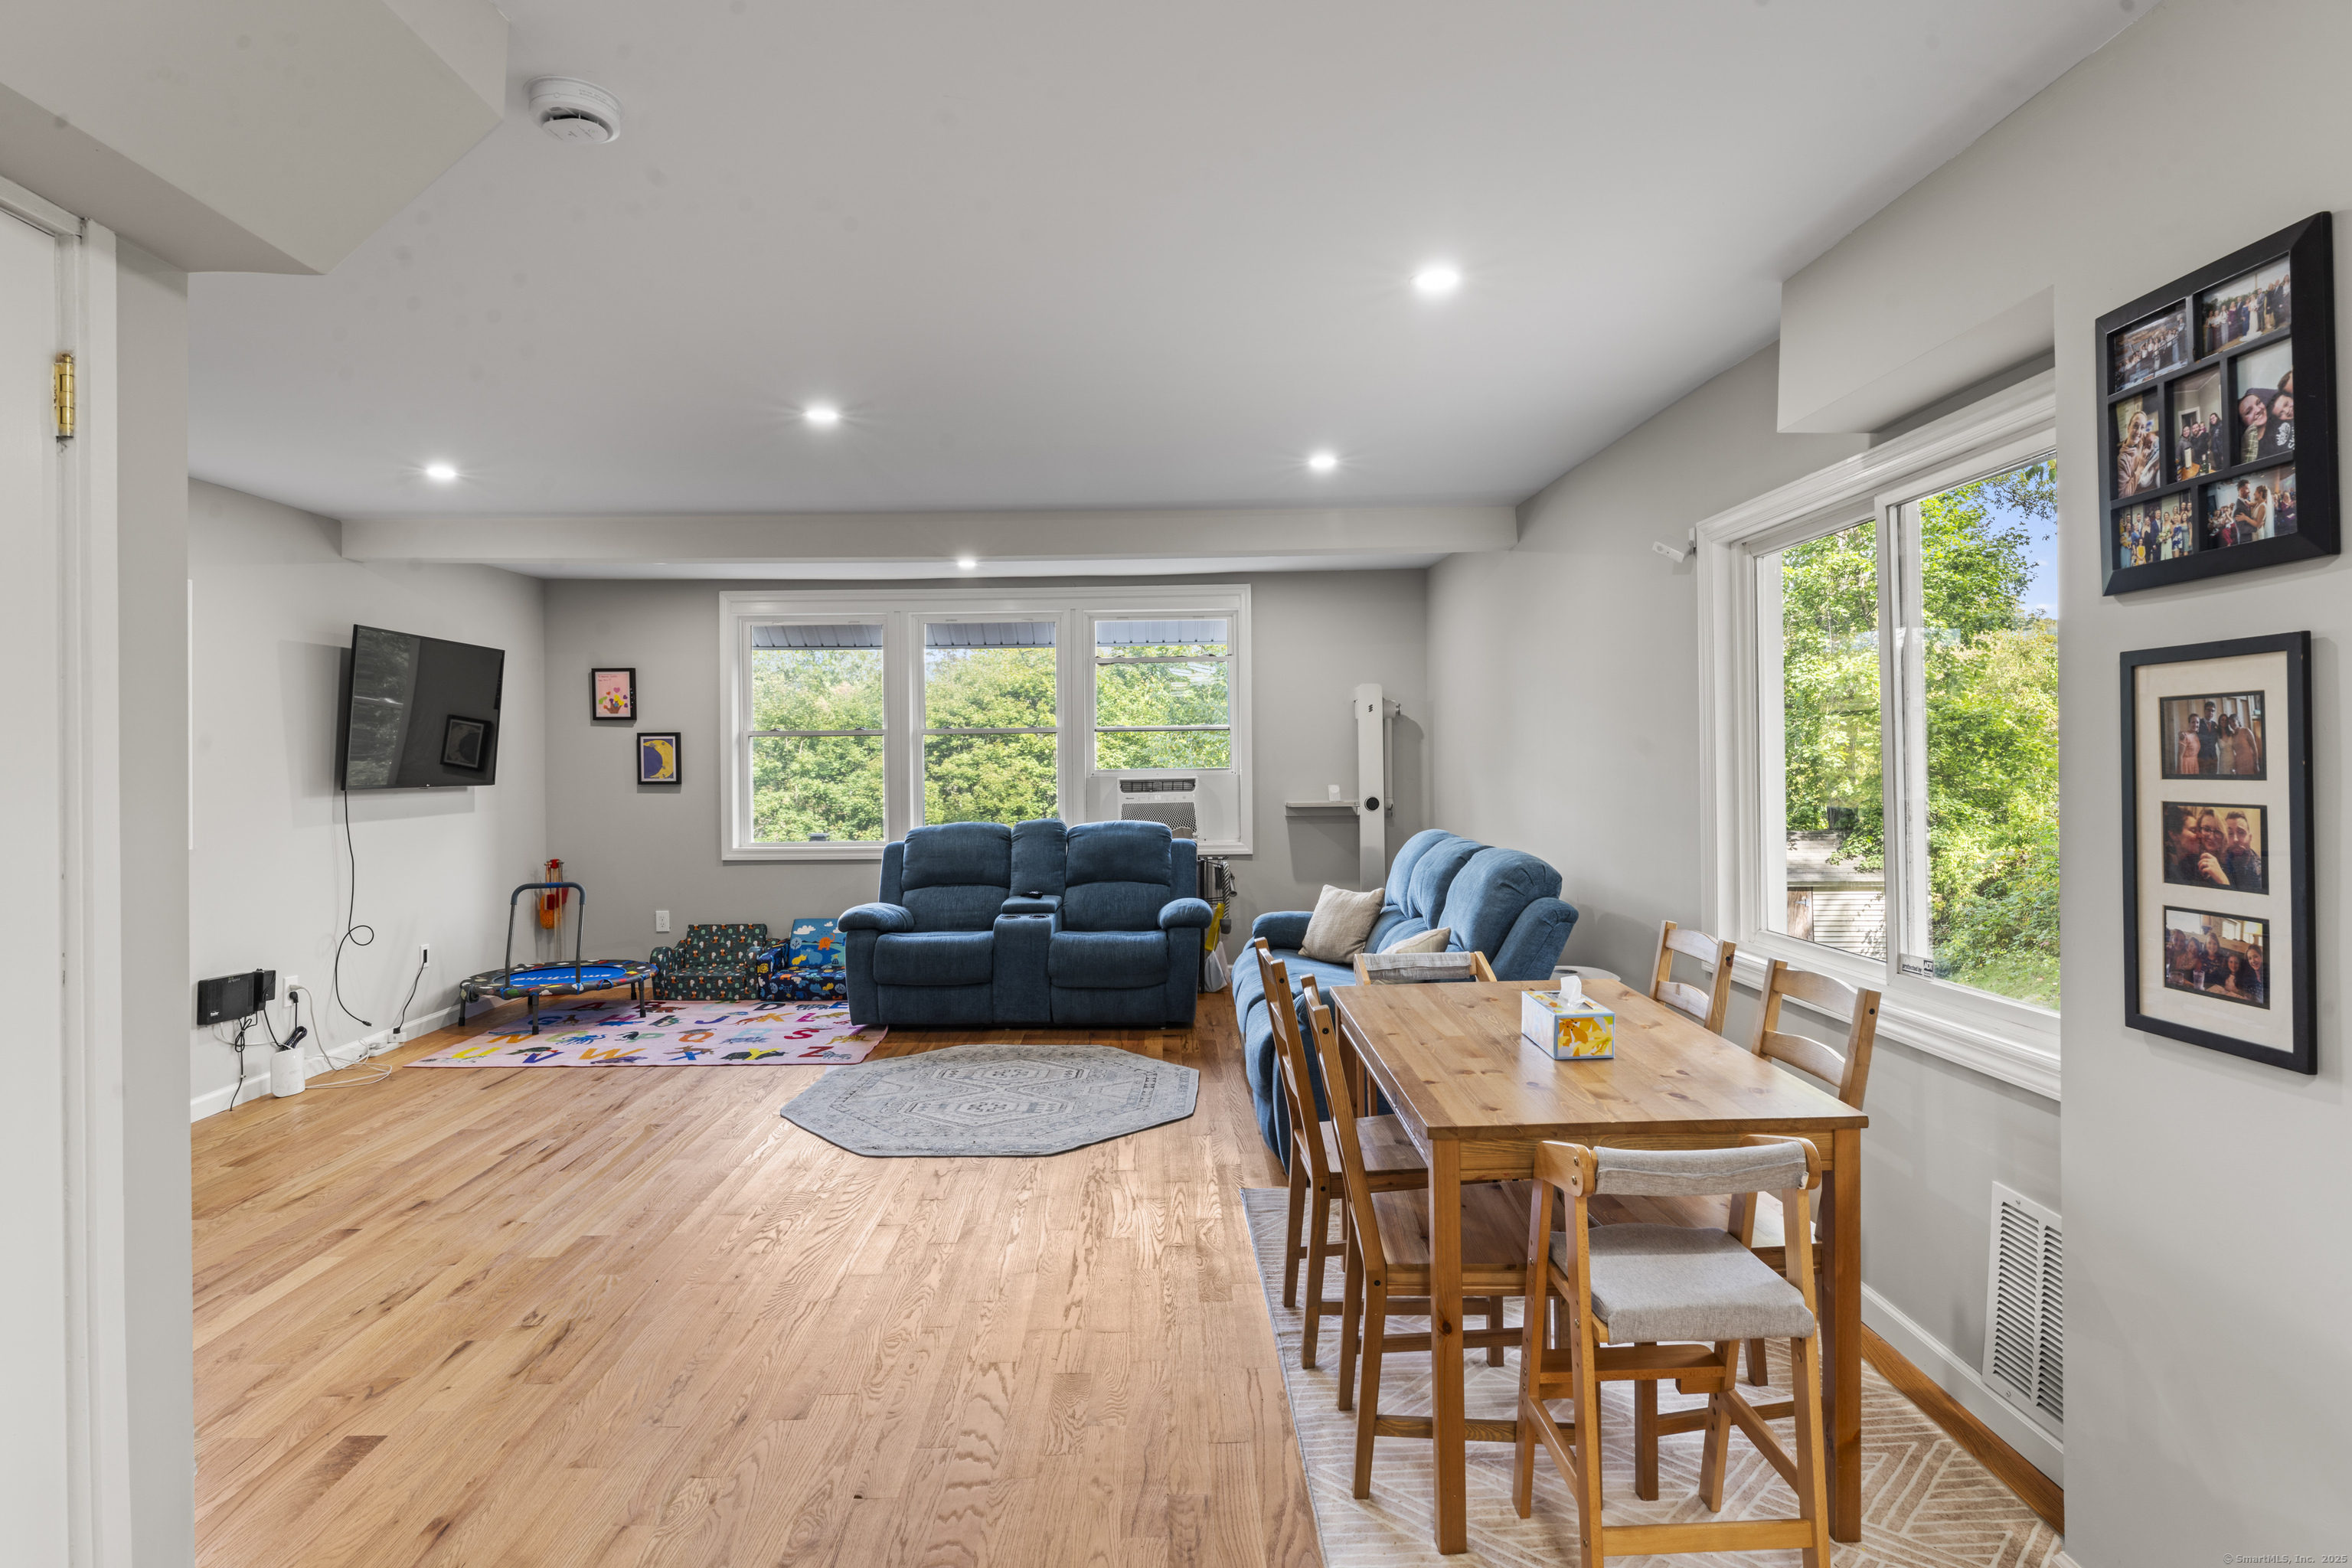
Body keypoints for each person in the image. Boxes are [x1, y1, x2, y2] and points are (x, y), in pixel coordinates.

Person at [2223, 809, 2267, 893]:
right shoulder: (2220, 863)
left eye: (2241, 832)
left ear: (2250, 838)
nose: (2235, 840)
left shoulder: (2262, 874)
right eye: (2230, 834)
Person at [2118, 407, 2159, 496]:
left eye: (2142, 427)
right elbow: (2123, 495)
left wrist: (2151, 439)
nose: (2138, 432)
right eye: (2135, 426)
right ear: (2128, 428)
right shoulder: (2122, 460)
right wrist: (2140, 467)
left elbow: (2153, 438)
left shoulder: (2141, 438)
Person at [2239, 390, 2270, 466]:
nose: (2258, 410)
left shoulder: (2279, 419)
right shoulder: (2250, 451)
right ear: (2242, 422)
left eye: (2258, 403)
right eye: (2248, 412)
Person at [2243, 942, 2269, 1007]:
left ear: (2261, 956)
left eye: (2255, 957)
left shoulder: (2268, 973)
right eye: (2250, 958)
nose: (2253, 961)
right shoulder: (2249, 975)